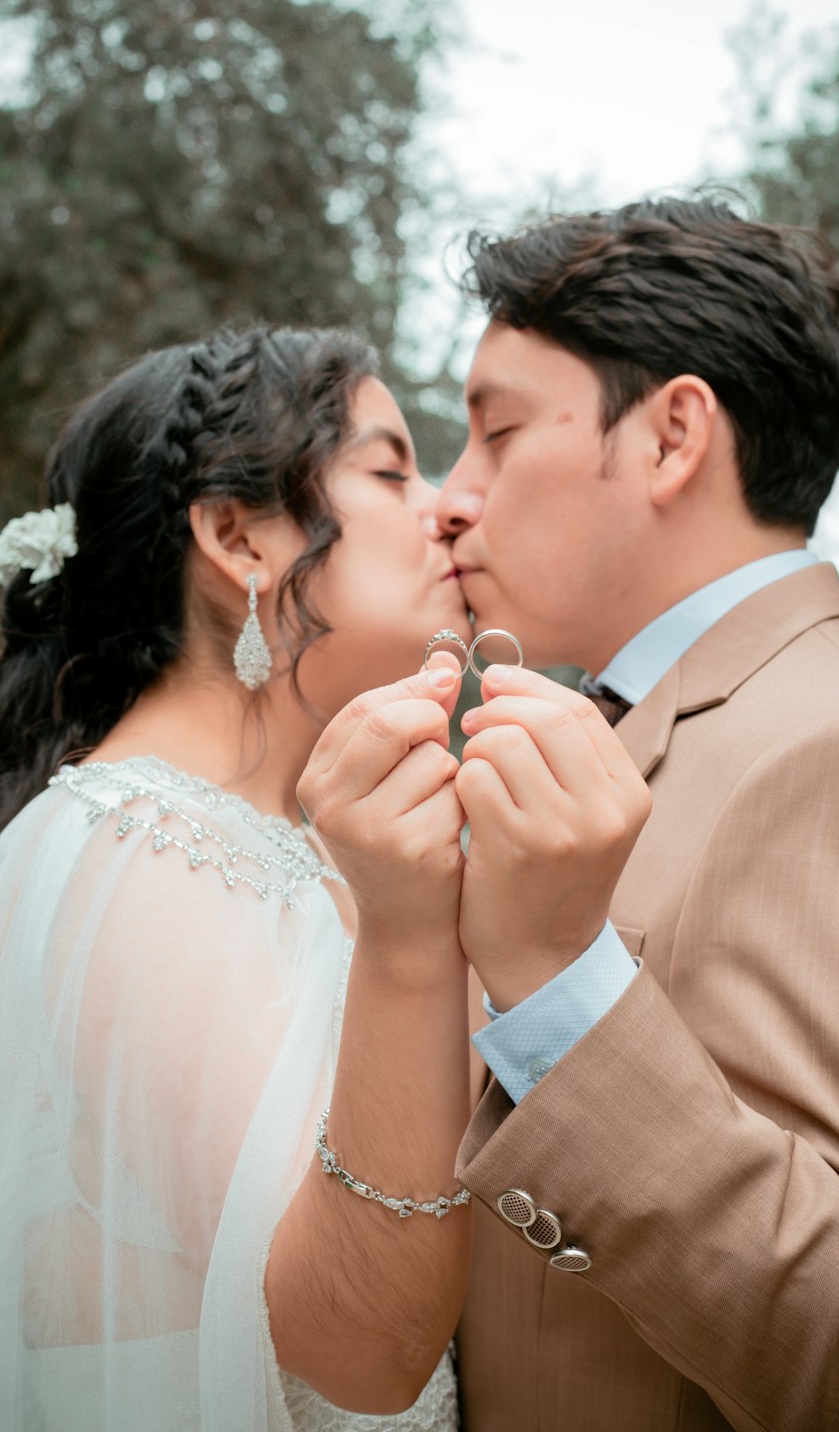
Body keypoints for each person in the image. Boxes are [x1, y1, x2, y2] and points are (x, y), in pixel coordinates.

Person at [434, 198, 839, 1431]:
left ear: (671, 436)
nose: (451, 497)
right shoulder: (638, 729)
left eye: (496, 432)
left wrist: (556, 985)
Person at [0, 324, 483, 1432]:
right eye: (389, 467)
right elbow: (361, 1354)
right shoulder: (141, 863)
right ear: (236, 537)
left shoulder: (300, 850)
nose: (447, 506)